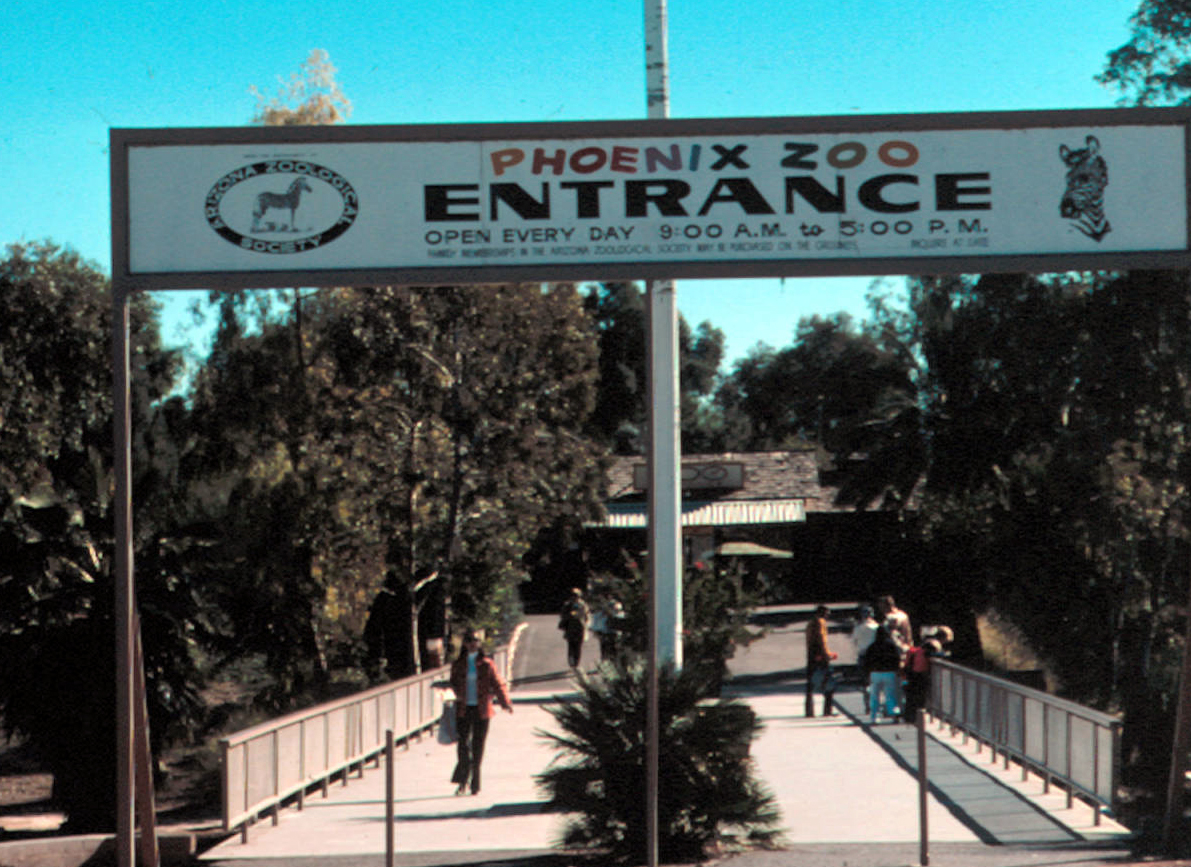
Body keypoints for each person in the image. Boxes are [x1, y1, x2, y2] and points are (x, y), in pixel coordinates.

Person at [448, 629, 513, 796]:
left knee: (478, 746)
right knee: (463, 746)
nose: (472, 643)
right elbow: (452, 684)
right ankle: (463, 781)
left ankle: (475, 782)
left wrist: (505, 702)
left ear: (479, 643)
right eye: (469, 640)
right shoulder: (458, 664)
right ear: (464, 643)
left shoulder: (487, 664)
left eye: (475, 640)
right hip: (463, 709)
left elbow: (498, 683)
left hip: (482, 709)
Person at [864, 618, 904, 724]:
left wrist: (868, 673)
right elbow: (897, 658)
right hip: (890, 673)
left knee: (875, 696)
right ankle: (894, 714)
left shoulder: (872, 646)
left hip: (875, 673)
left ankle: (874, 717)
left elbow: (867, 660)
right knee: (891, 695)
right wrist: (897, 670)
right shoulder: (891, 645)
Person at [804, 604, 840, 717]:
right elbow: (822, 639)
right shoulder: (821, 622)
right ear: (823, 613)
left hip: (811, 655)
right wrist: (826, 654)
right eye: (827, 613)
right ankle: (827, 710)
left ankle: (809, 711)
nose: (828, 615)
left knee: (810, 684)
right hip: (820, 656)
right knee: (828, 682)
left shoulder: (810, 623)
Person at [851, 605, 879, 704]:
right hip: (875, 656)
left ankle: (867, 701)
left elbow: (854, 641)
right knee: (875, 681)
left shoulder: (858, 627)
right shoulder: (876, 627)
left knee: (865, 680)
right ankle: (875, 701)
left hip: (863, 655)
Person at [559, 587, 590, 668]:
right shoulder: (568, 605)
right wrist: (570, 615)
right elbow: (563, 615)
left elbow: (586, 616)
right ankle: (571, 660)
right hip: (570, 627)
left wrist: (586, 624)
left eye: (576, 596)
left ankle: (576, 662)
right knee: (571, 645)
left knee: (578, 646)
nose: (575, 597)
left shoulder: (583, 605)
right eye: (573, 595)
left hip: (580, 628)